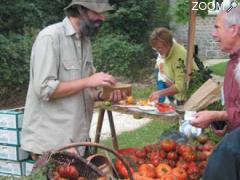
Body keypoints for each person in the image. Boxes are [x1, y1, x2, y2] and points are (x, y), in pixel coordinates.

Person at [21, 0, 126, 159]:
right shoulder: (50, 37)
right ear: (80, 10)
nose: (102, 18)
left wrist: (102, 95)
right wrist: (88, 81)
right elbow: (44, 89)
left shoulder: (85, 41)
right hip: (52, 146)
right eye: (97, 12)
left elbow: (83, 89)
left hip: (77, 143)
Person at [190, 7, 240, 137]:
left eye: (217, 27)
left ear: (233, 29)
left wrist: (215, 115)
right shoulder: (232, 63)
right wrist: (228, 126)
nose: (213, 34)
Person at [149, 27, 189, 105]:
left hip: (191, 97)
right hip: (180, 96)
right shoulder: (166, 50)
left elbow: (180, 86)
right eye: (155, 48)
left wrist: (159, 93)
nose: (158, 51)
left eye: (160, 48)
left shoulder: (179, 56)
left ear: (168, 44)